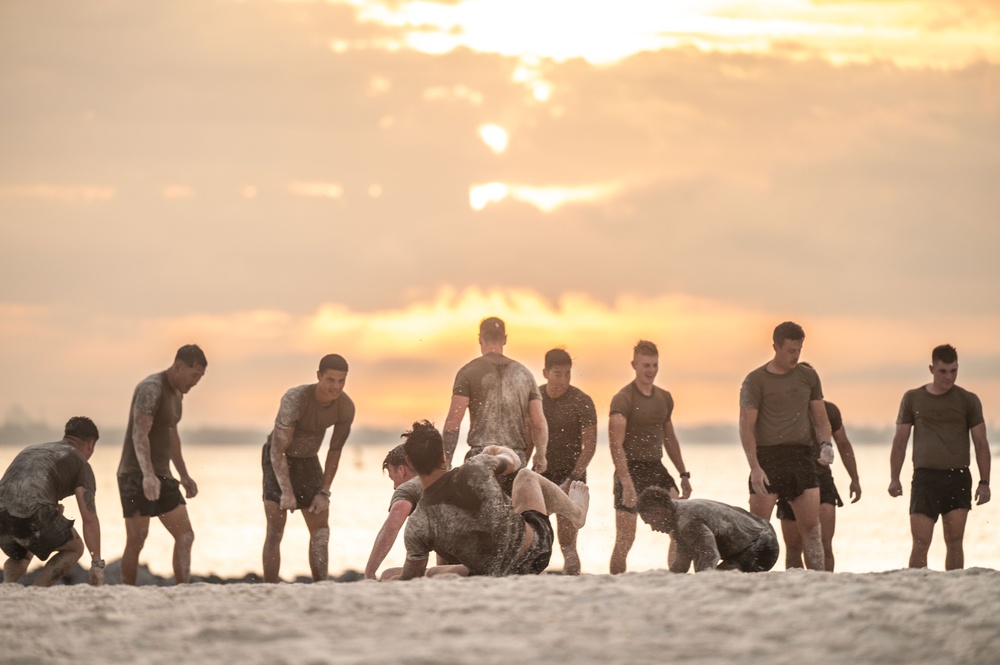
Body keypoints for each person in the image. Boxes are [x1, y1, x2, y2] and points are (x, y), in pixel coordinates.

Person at [399, 420, 589, 579]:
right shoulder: (477, 467)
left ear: (409, 463)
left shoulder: (417, 524)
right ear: (442, 454)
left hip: (491, 574)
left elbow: (412, 578)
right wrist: (494, 449)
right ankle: (577, 514)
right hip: (535, 554)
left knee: (433, 569)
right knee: (525, 476)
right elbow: (514, 461)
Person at [739, 322, 834, 571]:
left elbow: (821, 419)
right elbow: (746, 428)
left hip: (801, 458)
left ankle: (817, 584)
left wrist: (826, 445)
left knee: (812, 532)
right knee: (758, 532)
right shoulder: (755, 380)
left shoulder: (808, 377)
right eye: (791, 350)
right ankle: (752, 583)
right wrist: (755, 467)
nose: (796, 356)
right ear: (776, 347)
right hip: (767, 459)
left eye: (799, 350)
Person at [888, 344, 991, 570]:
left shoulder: (968, 400)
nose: (949, 377)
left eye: (954, 371)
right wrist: (894, 478)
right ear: (932, 368)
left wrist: (985, 482)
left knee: (954, 542)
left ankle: (955, 588)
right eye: (943, 371)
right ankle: (914, 588)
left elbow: (981, 443)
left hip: (958, 477)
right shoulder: (913, 398)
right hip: (925, 478)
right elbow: (900, 441)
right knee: (920, 542)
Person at [262, 354, 355, 583]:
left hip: (309, 460)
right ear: (318, 376)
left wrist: (324, 492)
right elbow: (277, 450)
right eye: (330, 380)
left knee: (321, 529)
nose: (336, 387)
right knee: (276, 528)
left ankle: (321, 584)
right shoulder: (296, 398)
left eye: (341, 381)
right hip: (278, 457)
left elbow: (335, 451)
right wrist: (286, 491)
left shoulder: (345, 406)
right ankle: (270, 587)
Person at [118, 344, 206, 585]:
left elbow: (172, 436)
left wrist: (184, 475)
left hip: (163, 474)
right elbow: (139, 433)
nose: (196, 381)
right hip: (135, 473)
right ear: (178, 367)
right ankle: (127, 591)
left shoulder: (178, 394)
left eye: (200, 377)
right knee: (137, 538)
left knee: (185, 535)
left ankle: (182, 589)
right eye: (194, 375)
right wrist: (147, 474)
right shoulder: (151, 388)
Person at [608, 340, 691, 575]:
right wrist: (626, 483)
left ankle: (676, 576)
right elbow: (616, 446)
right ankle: (615, 584)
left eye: (655, 365)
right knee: (625, 540)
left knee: (680, 525)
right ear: (634, 365)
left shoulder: (664, 398)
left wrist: (683, 474)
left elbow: (670, 440)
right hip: (629, 469)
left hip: (656, 468)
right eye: (646, 365)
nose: (651, 371)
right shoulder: (623, 399)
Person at [442, 316, 548, 495]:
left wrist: (447, 461)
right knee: (513, 518)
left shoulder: (468, 372)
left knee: (478, 519)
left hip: (480, 457)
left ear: (480, 338)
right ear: (505, 339)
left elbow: (453, 422)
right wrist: (541, 454)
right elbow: (538, 423)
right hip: (514, 459)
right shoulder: (524, 374)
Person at [1, 417, 104, 586]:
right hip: (31, 513)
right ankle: (38, 590)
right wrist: (96, 564)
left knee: (22, 551)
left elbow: (23, 488)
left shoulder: (32, 450)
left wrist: (50, 510)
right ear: (90, 444)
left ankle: (7, 587)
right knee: (75, 548)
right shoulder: (80, 461)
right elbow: (89, 518)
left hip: (2, 513)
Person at [775, 392, 862, 571]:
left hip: (822, 479)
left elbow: (843, 443)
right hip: (792, 479)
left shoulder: (829, 410)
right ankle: (795, 588)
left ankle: (825, 585)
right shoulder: (784, 410)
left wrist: (854, 479)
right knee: (793, 547)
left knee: (824, 542)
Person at [539, 348, 597, 575]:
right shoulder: (535, 397)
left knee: (568, 543)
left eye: (567, 373)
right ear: (545, 372)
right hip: (542, 474)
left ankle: (572, 583)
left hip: (572, 475)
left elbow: (590, 446)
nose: (563, 380)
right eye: (557, 374)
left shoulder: (581, 401)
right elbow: (528, 440)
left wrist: (571, 479)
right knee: (538, 538)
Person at [636, 487, 779, 573]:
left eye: (651, 522)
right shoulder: (678, 516)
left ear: (659, 510)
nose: (653, 528)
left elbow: (710, 555)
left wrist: (701, 580)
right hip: (758, 532)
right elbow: (681, 563)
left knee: (718, 576)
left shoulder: (687, 521)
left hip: (762, 544)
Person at [364, 444, 422, 580]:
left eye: (392, 478)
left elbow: (391, 528)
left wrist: (369, 572)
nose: (394, 486)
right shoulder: (443, 475)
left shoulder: (410, 488)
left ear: (401, 470)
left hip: (467, 567)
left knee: (388, 575)